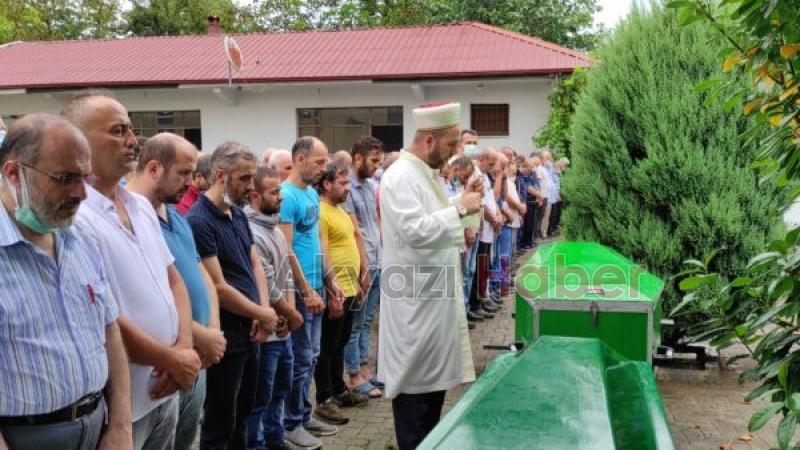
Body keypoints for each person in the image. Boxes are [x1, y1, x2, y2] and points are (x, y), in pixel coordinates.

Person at [63, 91, 200, 450]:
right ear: (78, 139)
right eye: (117, 130)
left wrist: (183, 348)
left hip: (165, 388)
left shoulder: (139, 205)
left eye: (131, 129)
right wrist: (170, 359)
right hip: (125, 406)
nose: (132, 141)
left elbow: (174, 281)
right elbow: (104, 315)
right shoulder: (74, 218)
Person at [0, 114, 131, 450]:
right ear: (14, 173)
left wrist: (120, 427)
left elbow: (109, 329)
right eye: (65, 178)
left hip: (97, 426)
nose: (81, 194)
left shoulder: (80, 237)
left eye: (84, 178)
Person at [379, 102, 482, 450]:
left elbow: (442, 225)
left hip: (432, 303)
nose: (455, 153)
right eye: (451, 144)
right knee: (415, 402)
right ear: (427, 140)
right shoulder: (400, 176)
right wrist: (459, 208)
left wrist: (467, 214)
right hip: (414, 304)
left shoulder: (425, 173)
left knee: (431, 402)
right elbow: (414, 231)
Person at [126, 133, 227, 450]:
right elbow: (141, 296)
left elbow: (201, 274)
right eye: (184, 173)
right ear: (154, 168)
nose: (192, 181)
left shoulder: (178, 218)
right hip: (159, 366)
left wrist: (213, 332)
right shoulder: (128, 220)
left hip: (195, 357)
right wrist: (196, 339)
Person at [186, 141, 279, 450]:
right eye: (243, 178)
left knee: (244, 413)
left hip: (250, 331)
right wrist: (260, 313)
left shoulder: (237, 214)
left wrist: (263, 310)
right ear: (221, 176)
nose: (250, 186)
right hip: (226, 337)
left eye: (252, 177)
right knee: (220, 420)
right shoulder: (200, 221)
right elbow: (218, 287)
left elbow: (253, 263)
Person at [280, 137, 338, 449]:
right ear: (300, 159)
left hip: (315, 285)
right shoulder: (286, 196)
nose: (324, 167)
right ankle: (290, 423)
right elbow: (285, 249)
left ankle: (303, 413)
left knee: (311, 356)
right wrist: (305, 289)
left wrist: (329, 280)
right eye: (318, 161)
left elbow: (318, 242)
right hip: (299, 291)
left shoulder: (311, 194)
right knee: (300, 358)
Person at [245, 167, 305, 450]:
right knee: (260, 396)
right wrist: (290, 315)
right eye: (274, 192)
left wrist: (290, 314)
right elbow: (267, 284)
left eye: (280, 190)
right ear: (255, 196)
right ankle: (256, 444)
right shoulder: (253, 232)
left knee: (281, 388)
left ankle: (275, 437)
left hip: (283, 329)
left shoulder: (274, 228)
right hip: (267, 334)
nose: (281, 197)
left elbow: (286, 277)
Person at [314, 162, 369, 425]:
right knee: (327, 345)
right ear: (326, 184)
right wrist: (332, 289)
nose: (347, 188)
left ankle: (338, 389)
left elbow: (350, 244)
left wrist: (358, 280)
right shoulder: (321, 212)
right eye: (342, 183)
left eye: (348, 183)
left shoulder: (341, 210)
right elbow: (322, 250)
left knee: (340, 342)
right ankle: (324, 398)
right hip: (334, 290)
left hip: (350, 287)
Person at [344, 136, 386, 395]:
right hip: (362, 262)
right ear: (357, 158)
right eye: (373, 161)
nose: (377, 166)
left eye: (380, 161)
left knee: (368, 319)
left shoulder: (370, 186)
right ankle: (353, 375)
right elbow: (353, 230)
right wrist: (362, 267)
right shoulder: (346, 187)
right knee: (356, 322)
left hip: (377, 258)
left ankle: (364, 367)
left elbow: (376, 222)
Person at [469, 147, 501, 321]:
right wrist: (493, 218)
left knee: (484, 266)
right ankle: (476, 302)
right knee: (477, 268)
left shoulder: (484, 175)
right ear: (481, 159)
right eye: (490, 163)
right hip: (482, 229)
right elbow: (481, 203)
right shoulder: (476, 175)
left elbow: (491, 200)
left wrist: (497, 216)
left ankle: (482, 298)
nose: (492, 166)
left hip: (489, 229)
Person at [447, 155, 479, 326]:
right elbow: (449, 211)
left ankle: (462, 314)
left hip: (459, 240)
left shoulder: (454, 185)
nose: (465, 179)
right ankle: (459, 317)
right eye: (464, 176)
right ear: (456, 169)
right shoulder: (446, 185)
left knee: (464, 276)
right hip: (452, 242)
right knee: (458, 281)